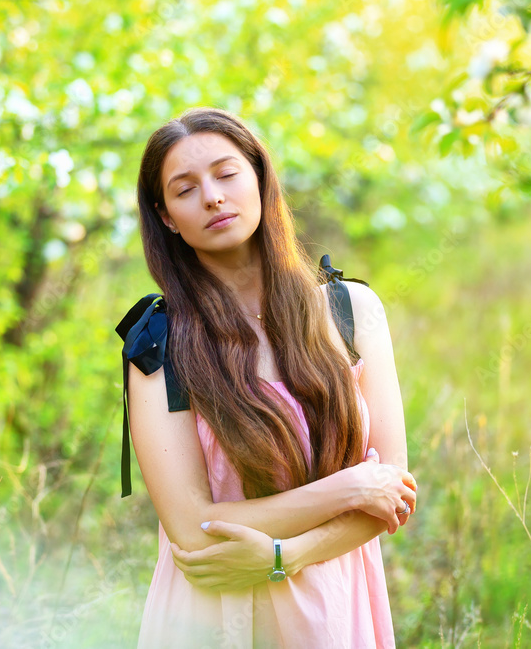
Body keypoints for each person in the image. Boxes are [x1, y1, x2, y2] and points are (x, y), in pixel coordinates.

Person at [125, 106, 418, 648]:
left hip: (336, 603)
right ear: (166, 217)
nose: (212, 196)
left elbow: (393, 493)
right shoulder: (159, 344)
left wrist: (283, 557)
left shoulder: (351, 312)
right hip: (216, 610)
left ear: (259, 177)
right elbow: (193, 530)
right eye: (184, 189)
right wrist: (349, 487)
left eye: (226, 173)